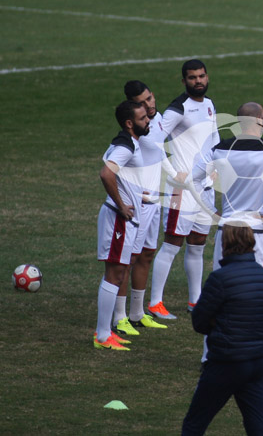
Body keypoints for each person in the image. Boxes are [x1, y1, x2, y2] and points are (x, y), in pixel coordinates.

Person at [193, 102, 263, 377]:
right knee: (256, 297)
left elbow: (195, 177)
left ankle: (208, 357)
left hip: (227, 229)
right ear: (261, 119)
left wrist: (212, 212)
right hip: (256, 233)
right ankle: (255, 359)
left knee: (218, 293)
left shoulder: (221, 149)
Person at [182, 224, 263, 435]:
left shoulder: (220, 279)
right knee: (258, 426)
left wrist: (218, 325)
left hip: (226, 362)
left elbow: (199, 322)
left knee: (194, 424)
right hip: (257, 362)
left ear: (225, 244)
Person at [148, 60, 219, 319]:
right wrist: (171, 172)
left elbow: (214, 138)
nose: (198, 81)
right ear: (184, 81)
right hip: (182, 191)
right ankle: (155, 303)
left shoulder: (210, 105)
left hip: (205, 188)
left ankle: (195, 301)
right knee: (172, 244)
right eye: (192, 77)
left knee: (198, 245)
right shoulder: (177, 109)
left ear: (207, 77)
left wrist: (215, 165)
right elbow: (154, 140)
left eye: (201, 76)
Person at [112, 81, 172, 337]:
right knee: (128, 260)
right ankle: (119, 316)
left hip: (155, 201)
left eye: (150, 98)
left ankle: (137, 313)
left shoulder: (156, 121)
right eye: (143, 102)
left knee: (147, 254)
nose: (150, 104)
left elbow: (159, 156)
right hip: (138, 205)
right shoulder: (133, 131)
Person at [94, 100, 150, 350]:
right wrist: (121, 205)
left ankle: (105, 332)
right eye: (142, 118)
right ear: (130, 123)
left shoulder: (126, 142)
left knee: (117, 274)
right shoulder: (126, 146)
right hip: (119, 220)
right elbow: (106, 174)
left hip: (124, 220)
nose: (148, 120)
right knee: (115, 274)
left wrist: (139, 197)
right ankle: (102, 335)